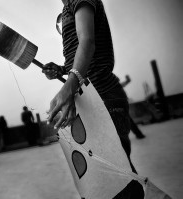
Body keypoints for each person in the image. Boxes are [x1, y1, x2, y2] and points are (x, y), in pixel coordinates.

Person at [42, 0, 143, 197]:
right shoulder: (67, 8)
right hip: (90, 97)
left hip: (103, 95)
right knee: (108, 180)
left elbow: (87, 42)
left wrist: (68, 87)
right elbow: (80, 53)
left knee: (118, 179)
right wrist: (62, 70)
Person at [121, 75, 146, 139]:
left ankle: (138, 134)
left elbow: (126, 82)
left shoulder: (114, 85)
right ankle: (138, 134)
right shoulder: (114, 85)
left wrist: (127, 80)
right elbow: (126, 82)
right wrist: (127, 80)